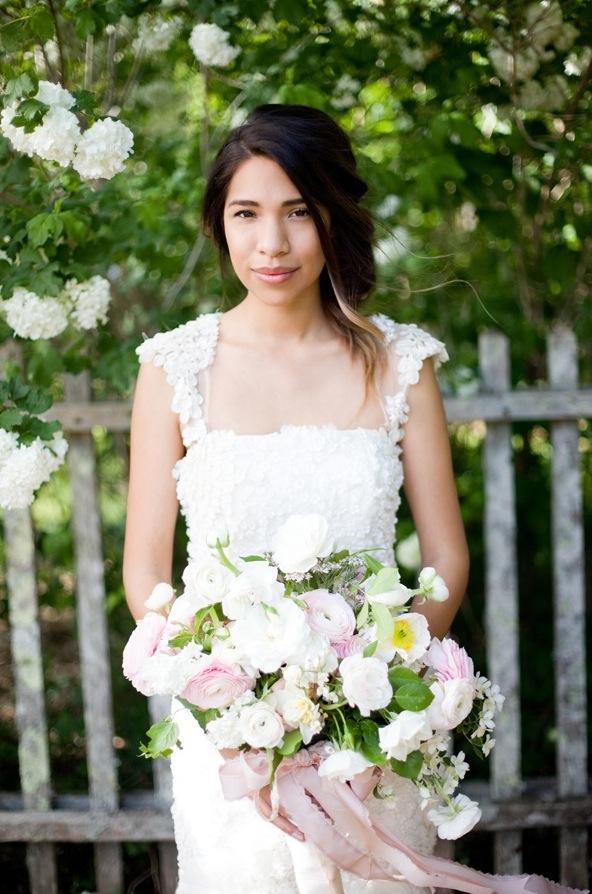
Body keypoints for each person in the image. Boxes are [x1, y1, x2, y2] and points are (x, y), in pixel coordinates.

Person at [123, 103, 470, 894]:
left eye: (298, 214)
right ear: (219, 222)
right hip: (231, 742)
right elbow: (145, 569)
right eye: (246, 213)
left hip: (377, 734)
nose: (270, 244)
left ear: (334, 219)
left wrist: (372, 689)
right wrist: (244, 692)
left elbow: (445, 555)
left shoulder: (401, 364)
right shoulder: (175, 368)